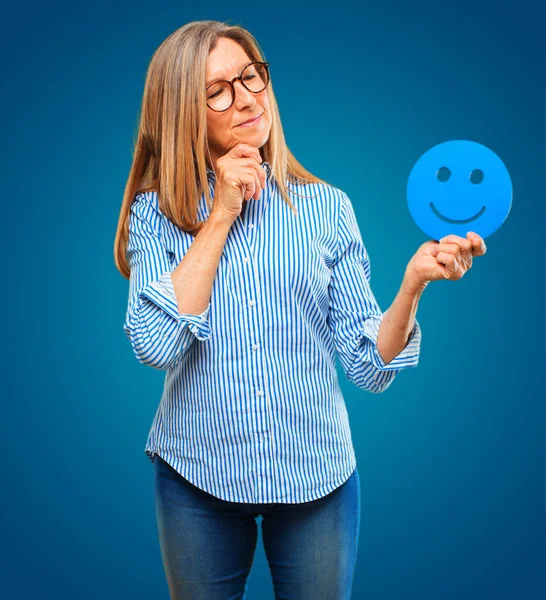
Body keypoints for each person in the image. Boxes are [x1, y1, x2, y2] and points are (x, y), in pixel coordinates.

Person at [113, 20, 486, 600]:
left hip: (318, 478)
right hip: (196, 478)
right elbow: (156, 345)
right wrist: (220, 213)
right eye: (217, 90)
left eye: (250, 77)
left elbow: (369, 366)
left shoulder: (327, 208)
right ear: (182, 111)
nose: (245, 99)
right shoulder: (154, 213)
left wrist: (412, 285)